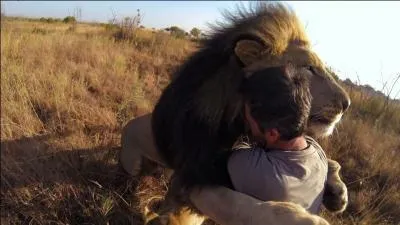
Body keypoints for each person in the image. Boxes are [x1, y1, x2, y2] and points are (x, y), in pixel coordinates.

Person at [227, 64, 328, 214]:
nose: (246, 125)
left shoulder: (255, 171)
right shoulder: (319, 157)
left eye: (248, 120)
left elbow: (232, 154)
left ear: (272, 134)